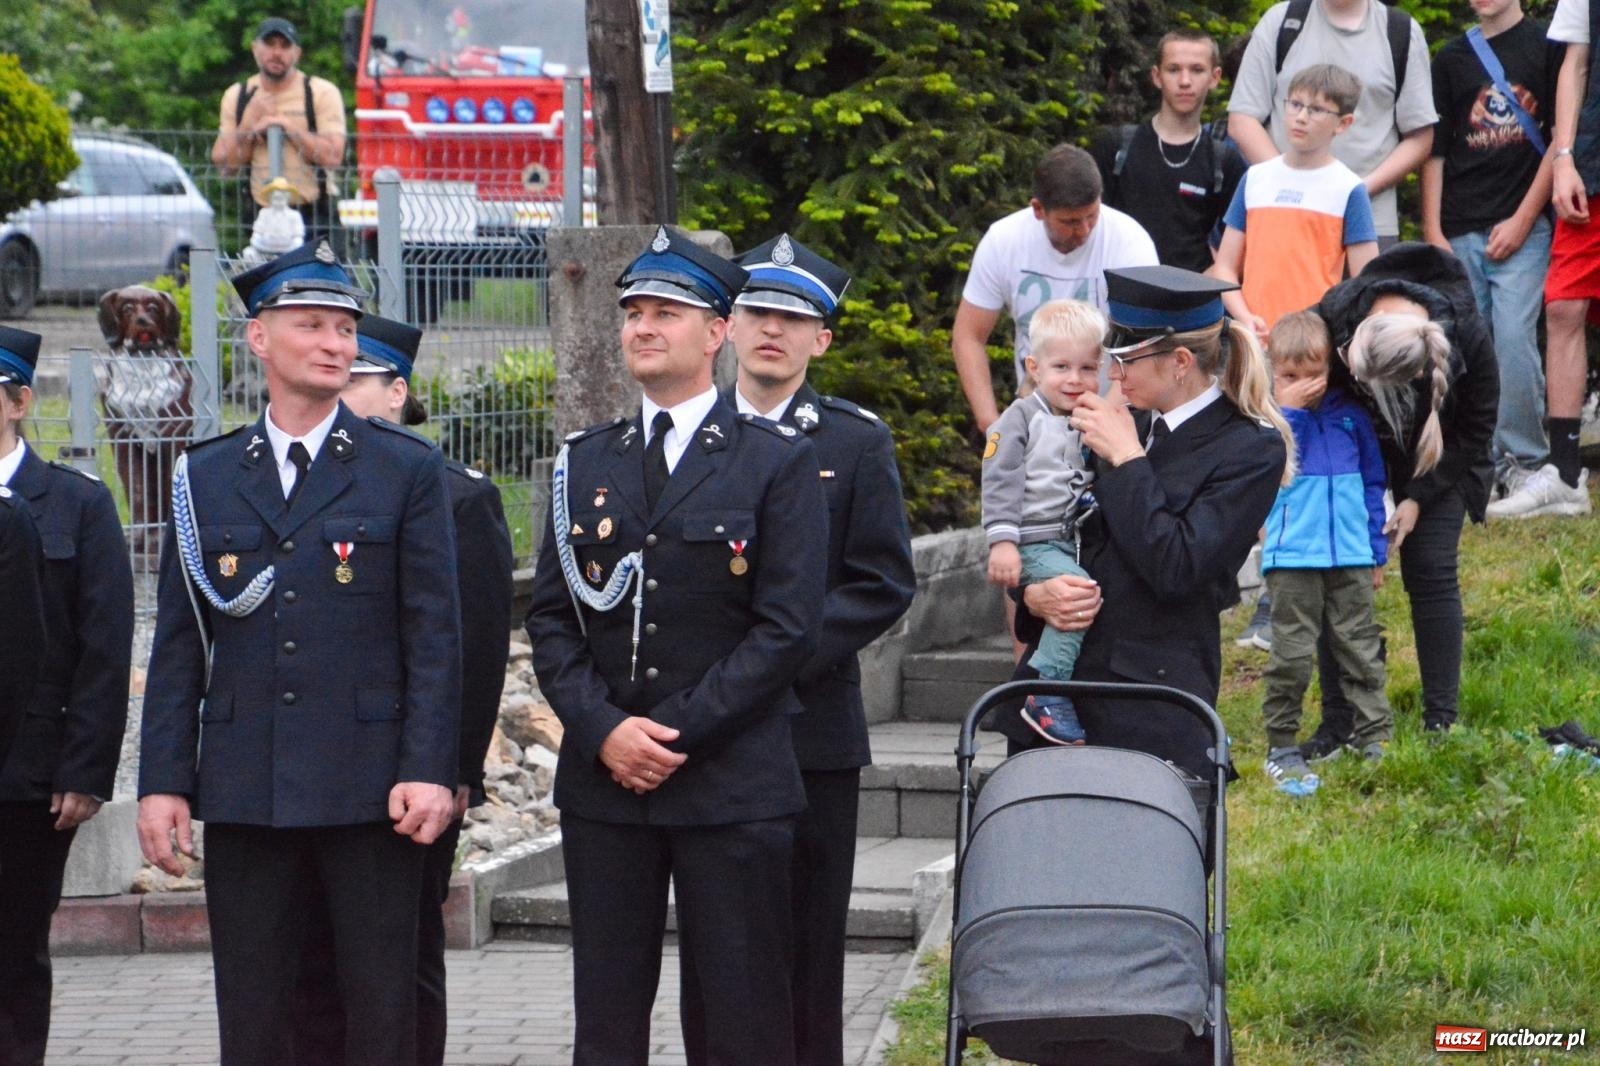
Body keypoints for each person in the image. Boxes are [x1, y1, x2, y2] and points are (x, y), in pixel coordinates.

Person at [136, 240, 462, 1066]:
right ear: (259, 338)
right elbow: (181, 644)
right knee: (255, 1016)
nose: (335, 343)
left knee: (378, 1013)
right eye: (311, 325)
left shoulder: (404, 470)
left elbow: (434, 636)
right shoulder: (206, 476)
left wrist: (429, 767)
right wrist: (164, 781)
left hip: (369, 788)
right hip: (248, 789)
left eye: (344, 328)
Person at [524, 226, 829, 1066]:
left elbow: (786, 627)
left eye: (666, 312)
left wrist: (672, 734)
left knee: (740, 1022)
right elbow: (552, 619)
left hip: (730, 781)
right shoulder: (584, 462)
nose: (644, 327)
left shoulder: (775, 462)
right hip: (607, 785)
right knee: (607, 1024)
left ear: (717, 332)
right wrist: (605, 731)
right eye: (633, 313)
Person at [682, 233, 915, 1066]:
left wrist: (777, 654)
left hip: (809, 730)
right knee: (715, 945)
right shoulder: (691, 435)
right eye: (756, 312)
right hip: (710, 728)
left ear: (822, 339)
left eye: (794, 317)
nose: (771, 329)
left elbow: (881, 582)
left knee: (810, 945)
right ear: (727, 326)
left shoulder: (852, 442)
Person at [288, 314, 515, 1066]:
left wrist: (455, 768)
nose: (340, 387)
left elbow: (475, 648)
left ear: (397, 394)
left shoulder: (455, 496)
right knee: (314, 954)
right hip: (322, 765)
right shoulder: (295, 484)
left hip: (414, 767)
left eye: (359, 379)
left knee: (405, 951)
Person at [1000, 265, 1294, 776]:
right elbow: (1048, 526)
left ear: (1180, 362)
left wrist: (1129, 461)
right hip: (1053, 699)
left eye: (1125, 360)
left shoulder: (1249, 447)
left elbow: (1178, 568)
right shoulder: (1121, 425)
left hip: (1148, 705)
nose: (1112, 376)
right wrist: (1031, 595)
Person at [1297, 242, 1498, 753]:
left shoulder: (1468, 335)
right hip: (1347, 459)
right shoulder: (1330, 319)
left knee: (1430, 568)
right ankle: (1339, 721)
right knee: (1337, 575)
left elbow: (1476, 429)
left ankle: (1441, 722)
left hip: (1440, 460)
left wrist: (1416, 498)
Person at [0, 326, 135, 1066]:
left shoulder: (75, 503)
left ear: (19, 402)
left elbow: (103, 648)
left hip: (27, 774)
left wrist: (85, 770)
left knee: (14, 947)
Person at [1422, 0, 1562, 498]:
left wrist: (1523, 221)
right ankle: (1472, 466)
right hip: (1459, 226)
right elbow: (1435, 150)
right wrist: (1433, 230)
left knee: (1514, 341)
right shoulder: (1450, 58)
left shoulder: (1549, 47)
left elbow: (1559, 141)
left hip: (1524, 226)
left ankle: (1524, 461)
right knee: (1463, 348)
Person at [1257, 311, 1392, 794]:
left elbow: (1373, 484)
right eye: (1290, 375)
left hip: (1352, 555)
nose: (1302, 384)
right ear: (1273, 371)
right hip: (1292, 558)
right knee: (1292, 654)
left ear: (1330, 369)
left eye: (1312, 373)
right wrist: (1289, 410)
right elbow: (1268, 465)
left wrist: (1376, 550)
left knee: (1360, 647)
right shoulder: (1268, 420)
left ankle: (1375, 736)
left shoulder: (1352, 418)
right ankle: (1281, 744)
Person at [953, 143, 1159, 432]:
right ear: (1038, 210)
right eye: (1070, 222)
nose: (1085, 230)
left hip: (1117, 414)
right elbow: (969, 336)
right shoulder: (1004, 241)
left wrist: (1101, 424)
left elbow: (1144, 344)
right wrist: (992, 425)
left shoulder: (1130, 243)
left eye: (1092, 216)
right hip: (1035, 416)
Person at [1489, 0, 1597, 518]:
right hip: (1591, 163)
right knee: (1562, 306)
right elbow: (1575, 63)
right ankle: (1567, 476)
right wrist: (1565, 158)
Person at [981, 300, 1103, 746]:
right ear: (1033, 367)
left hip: (1070, 537)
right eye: (1061, 367)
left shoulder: (1088, 417)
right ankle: (1046, 689)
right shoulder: (1019, 418)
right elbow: (1000, 480)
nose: (1075, 379)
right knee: (1077, 592)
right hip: (1033, 539)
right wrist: (1002, 543)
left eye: (1087, 368)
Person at [1228, 0, 1437, 249]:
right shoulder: (1282, 20)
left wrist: (1355, 193)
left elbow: (1420, 137)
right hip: (1282, 212)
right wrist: (1289, 184)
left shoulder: (1401, 31)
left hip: (1368, 223)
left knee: (1366, 277)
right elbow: (1242, 119)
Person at [1210, 64, 1381, 341]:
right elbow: (1225, 267)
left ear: (1343, 123)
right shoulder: (1255, 178)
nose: (1301, 117)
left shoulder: (1348, 188)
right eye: (1295, 104)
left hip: (1311, 344)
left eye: (1316, 110)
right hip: (1253, 339)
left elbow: (1367, 281)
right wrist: (1244, 317)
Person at [1091, 30, 1247, 272]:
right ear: (1157, 76)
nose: (1185, 81)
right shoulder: (1115, 147)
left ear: (1215, 77)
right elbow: (1087, 226)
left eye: (1197, 70)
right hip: (1120, 288)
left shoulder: (1225, 162)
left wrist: (1208, 282)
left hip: (1190, 291)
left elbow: (1241, 248)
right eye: (1173, 69)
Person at [212, 17, 347, 242]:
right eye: (269, 44)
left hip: (314, 216)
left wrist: (287, 127)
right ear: (255, 49)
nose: (276, 53)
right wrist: (248, 125)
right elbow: (224, 165)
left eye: (285, 46)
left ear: (297, 53)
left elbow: (334, 157)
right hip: (261, 216)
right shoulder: (238, 96)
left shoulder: (320, 92)